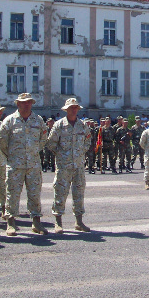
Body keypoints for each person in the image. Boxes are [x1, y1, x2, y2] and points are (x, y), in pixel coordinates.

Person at [0, 93, 48, 236]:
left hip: (33, 164)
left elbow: (43, 139)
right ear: (18, 104)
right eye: (23, 102)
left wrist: (32, 152)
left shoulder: (38, 120)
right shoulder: (9, 121)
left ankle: (36, 222)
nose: (27, 105)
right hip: (15, 164)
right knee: (12, 194)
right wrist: (12, 156)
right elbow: (2, 142)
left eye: (29, 102)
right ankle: (11, 222)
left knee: (34, 194)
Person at [46, 98, 92, 233]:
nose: (74, 109)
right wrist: (62, 156)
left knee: (79, 193)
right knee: (60, 193)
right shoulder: (59, 125)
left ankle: (79, 222)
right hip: (63, 166)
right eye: (71, 107)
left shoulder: (83, 125)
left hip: (78, 166)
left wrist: (79, 153)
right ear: (66, 110)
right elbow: (51, 143)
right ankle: (58, 222)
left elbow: (87, 142)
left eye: (76, 107)